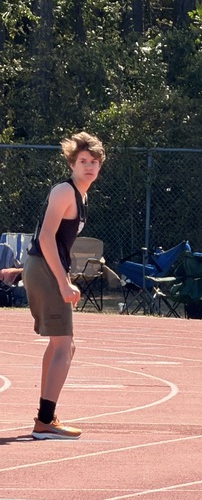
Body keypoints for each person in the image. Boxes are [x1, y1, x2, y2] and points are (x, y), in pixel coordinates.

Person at [24, 132, 105, 439]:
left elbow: (54, 242)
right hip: (45, 269)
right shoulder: (64, 191)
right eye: (83, 161)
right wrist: (63, 282)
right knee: (65, 345)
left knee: (60, 344)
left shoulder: (81, 196)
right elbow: (45, 238)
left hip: (45, 267)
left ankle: (46, 416)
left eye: (94, 162)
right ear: (72, 164)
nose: (89, 166)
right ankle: (45, 421)